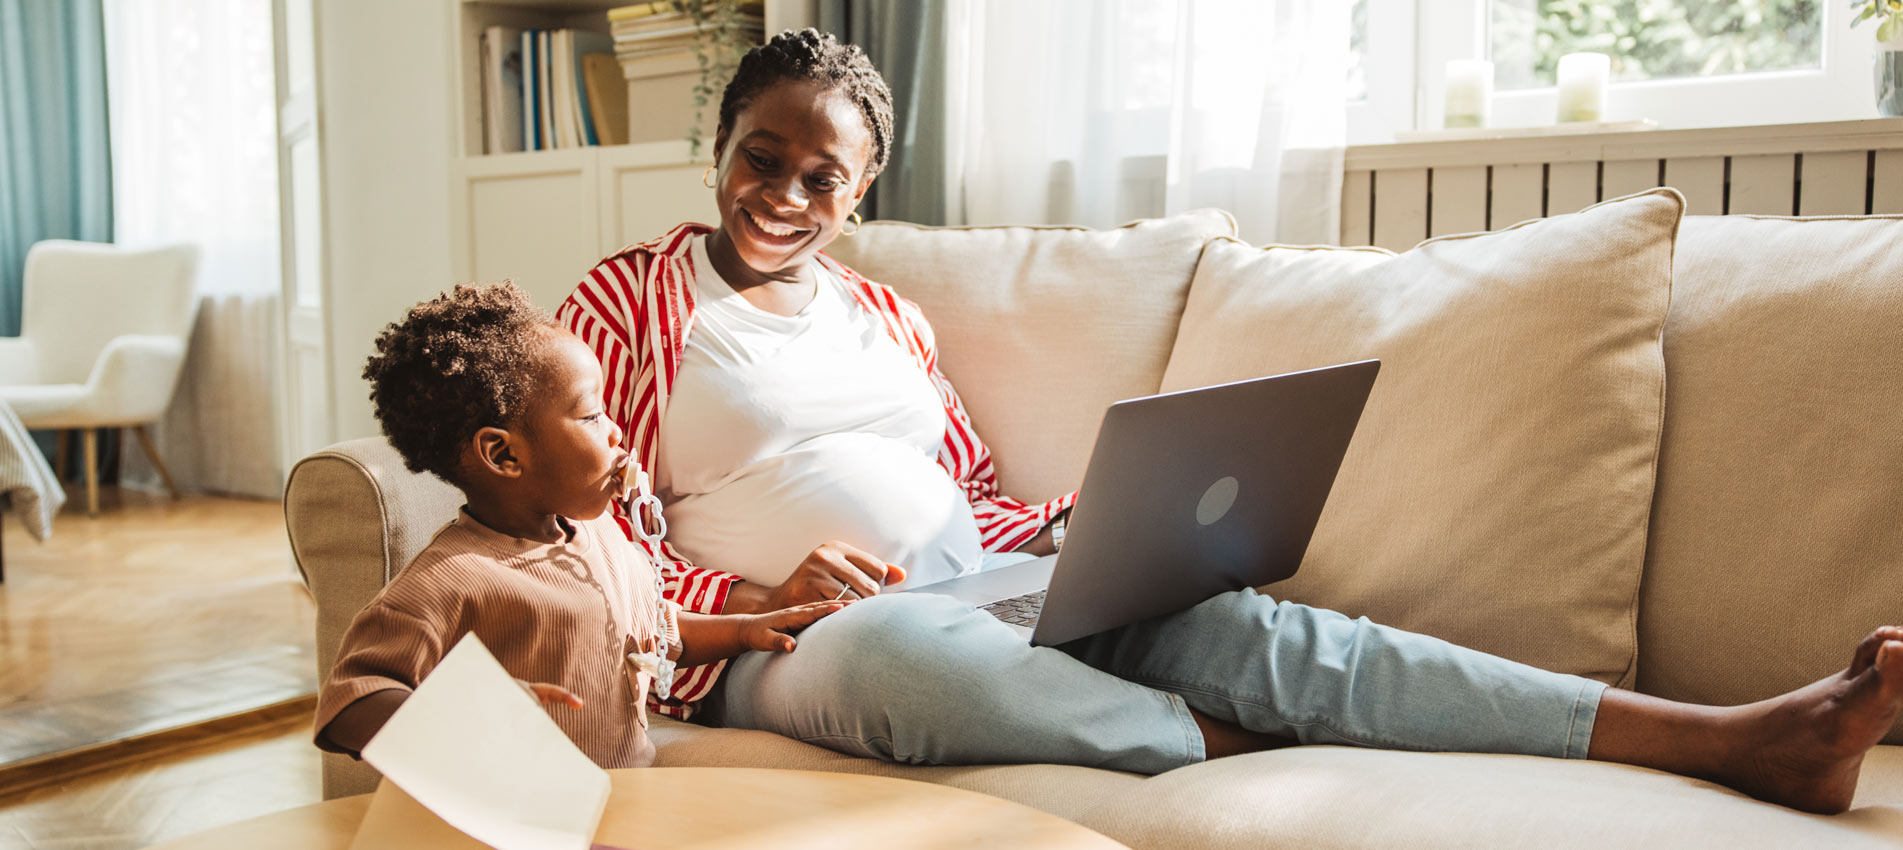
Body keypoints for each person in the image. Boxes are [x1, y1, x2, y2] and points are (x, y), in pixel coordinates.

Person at [556, 29, 1903, 814]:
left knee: (1257, 628)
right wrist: (746, 594)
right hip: (791, 642)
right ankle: (1249, 740)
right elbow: (592, 546)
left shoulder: (885, 318)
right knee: (902, 659)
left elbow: (964, 491)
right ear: (719, 146)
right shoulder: (622, 303)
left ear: (855, 194)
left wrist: (1091, 528)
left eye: (818, 174)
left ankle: (1725, 737)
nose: (781, 192)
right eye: (761, 157)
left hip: (978, 580)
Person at [313, 282, 850, 767]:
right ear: (503, 454)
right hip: (523, 822)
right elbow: (350, 703)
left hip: (623, 798)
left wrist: (743, 632)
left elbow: (654, 633)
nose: (617, 433)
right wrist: (464, 715)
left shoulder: (601, 537)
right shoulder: (450, 578)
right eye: (592, 416)